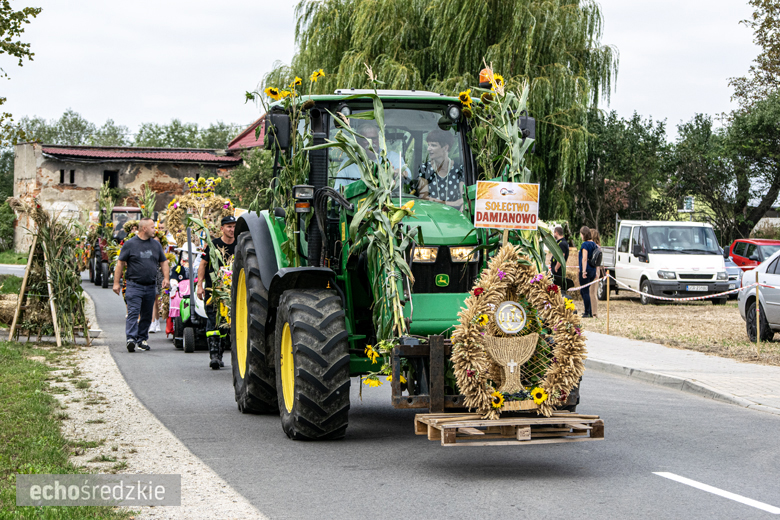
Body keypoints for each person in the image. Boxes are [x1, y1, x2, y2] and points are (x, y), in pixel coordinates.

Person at [114, 217, 169, 352]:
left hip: (150, 285)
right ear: (144, 228)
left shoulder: (156, 245)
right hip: (134, 285)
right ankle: (131, 339)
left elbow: (164, 261)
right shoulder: (130, 244)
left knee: (146, 314)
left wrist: (166, 278)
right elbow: (120, 263)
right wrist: (116, 283)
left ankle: (142, 339)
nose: (154, 230)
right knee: (133, 312)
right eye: (152, 227)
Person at [197, 216, 237, 369]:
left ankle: (221, 353)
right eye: (229, 227)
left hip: (232, 291)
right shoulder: (213, 245)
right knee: (214, 320)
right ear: (222, 228)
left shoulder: (240, 243)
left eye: (234, 226)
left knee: (227, 323)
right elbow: (203, 264)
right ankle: (214, 355)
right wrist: (200, 285)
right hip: (214, 290)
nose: (232, 230)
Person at [333, 122, 410, 190]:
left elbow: (408, 175)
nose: (371, 142)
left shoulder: (392, 157)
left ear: (378, 139)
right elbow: (338, 191)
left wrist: (397, 173)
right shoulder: (349, 163)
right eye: (366, 139)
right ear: (358, 141)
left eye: (374, 138)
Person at [417, 129, 465, 211]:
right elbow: (423, 198)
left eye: (433, 145)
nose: (429, 148)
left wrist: (464, 205)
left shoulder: (459, 169)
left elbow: (463, 196)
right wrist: (452, 204)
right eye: (428, 145)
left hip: (455, 216)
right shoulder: (424, 168)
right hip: (432, 214)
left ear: (445, 148)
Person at [578, 226, 597, 318]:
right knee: (585, 291)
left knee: (584, 291)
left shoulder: (585, 245)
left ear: (583, 234)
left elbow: (584, 258)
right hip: (593, 270)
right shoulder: (594, 244)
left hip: (586, 270)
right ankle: (589, 310)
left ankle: (587, 312)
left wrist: (583, 271)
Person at [550, 225, 570, 296]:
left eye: (554, 233)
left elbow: (561, 257)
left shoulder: (562, 243)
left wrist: (556, 268)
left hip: (558, 271)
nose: (553, 234)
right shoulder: (560, 242)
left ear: (556, 233)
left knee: (558, 289)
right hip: (557, 270)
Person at [589, 229, 601, 318]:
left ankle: (594, 312)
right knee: (592, 292)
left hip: (595, 270)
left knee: (593, 292)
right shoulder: (597, 247)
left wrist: (596, 272)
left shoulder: (595, 247)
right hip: (596, 270)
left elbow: (597, 261)